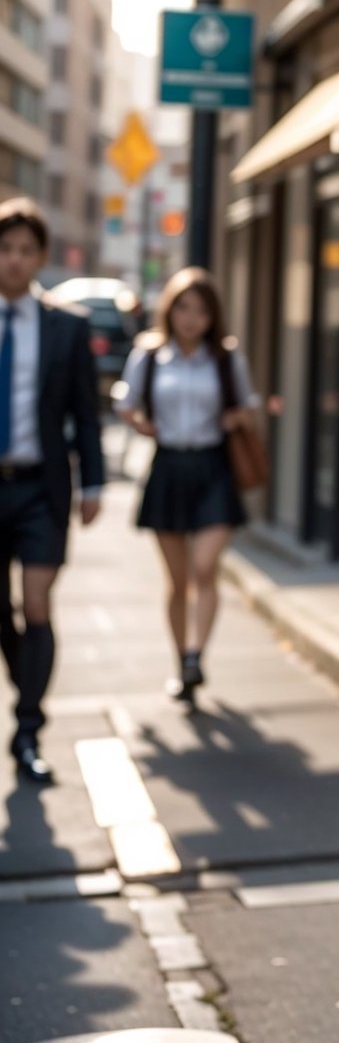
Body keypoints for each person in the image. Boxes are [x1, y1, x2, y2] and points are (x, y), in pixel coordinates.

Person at [112, 267, 257, 705]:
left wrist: (235, 418)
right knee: (177, 581)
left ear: (214, 317)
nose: (191, 319)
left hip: (214, 468)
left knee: (205, 568)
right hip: (169, 467)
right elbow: (123, 399)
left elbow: (248, 405)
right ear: (169, 311)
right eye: (183, 308)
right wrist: (138, 422)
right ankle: (182, 662)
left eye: (201, 311)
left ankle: (197, 654)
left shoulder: (227, 358)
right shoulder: (150, 355)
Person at [0, 197, 104, 785]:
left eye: (24, 250)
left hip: (41, 489)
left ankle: (28, 728)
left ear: (39, 257)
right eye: (5, 249)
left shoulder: (66, 327)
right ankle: (29, 679)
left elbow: (85, 416)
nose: (14, 261)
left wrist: (92, 482)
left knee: (37, 605)